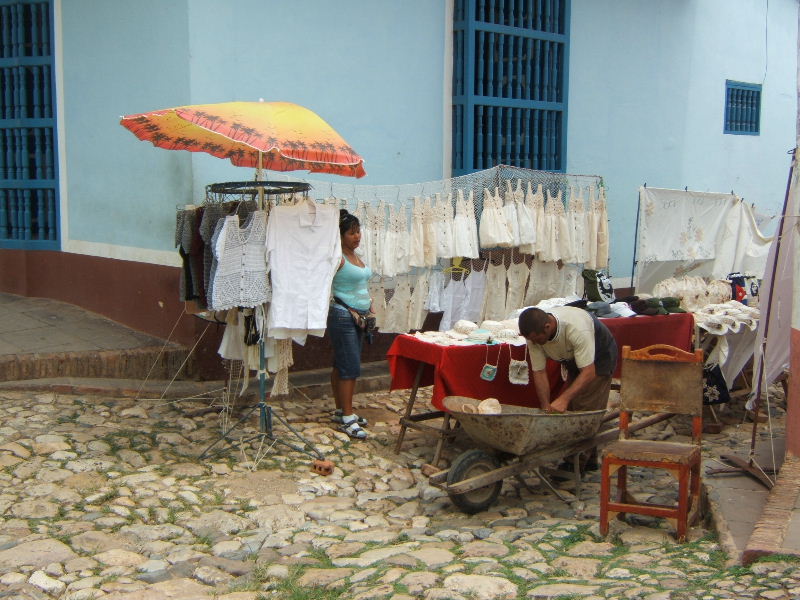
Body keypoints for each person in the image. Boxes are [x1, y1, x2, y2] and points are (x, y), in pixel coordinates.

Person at [518, 306, 617, 413]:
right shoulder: (534, 336)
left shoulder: (576, 329)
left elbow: (589, 371)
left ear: (547, 327)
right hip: (572, 357)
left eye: (537, 339)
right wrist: (545, 406)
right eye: (531, 340)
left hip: (600, 356)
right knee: (569, 407)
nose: (534, 343)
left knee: (584, 408)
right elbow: (539, 372)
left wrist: (564, 399)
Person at [327, 209, 374, 439]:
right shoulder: (338, 258)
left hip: (358, 318)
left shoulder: (355, 256)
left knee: (341, 364)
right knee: (350, 367)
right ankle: (347, 418)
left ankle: (340, 411)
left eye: (358, 232)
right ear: (340, 236)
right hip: (343, 316)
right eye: (351, 233)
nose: (357, 237)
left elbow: (361, 285)